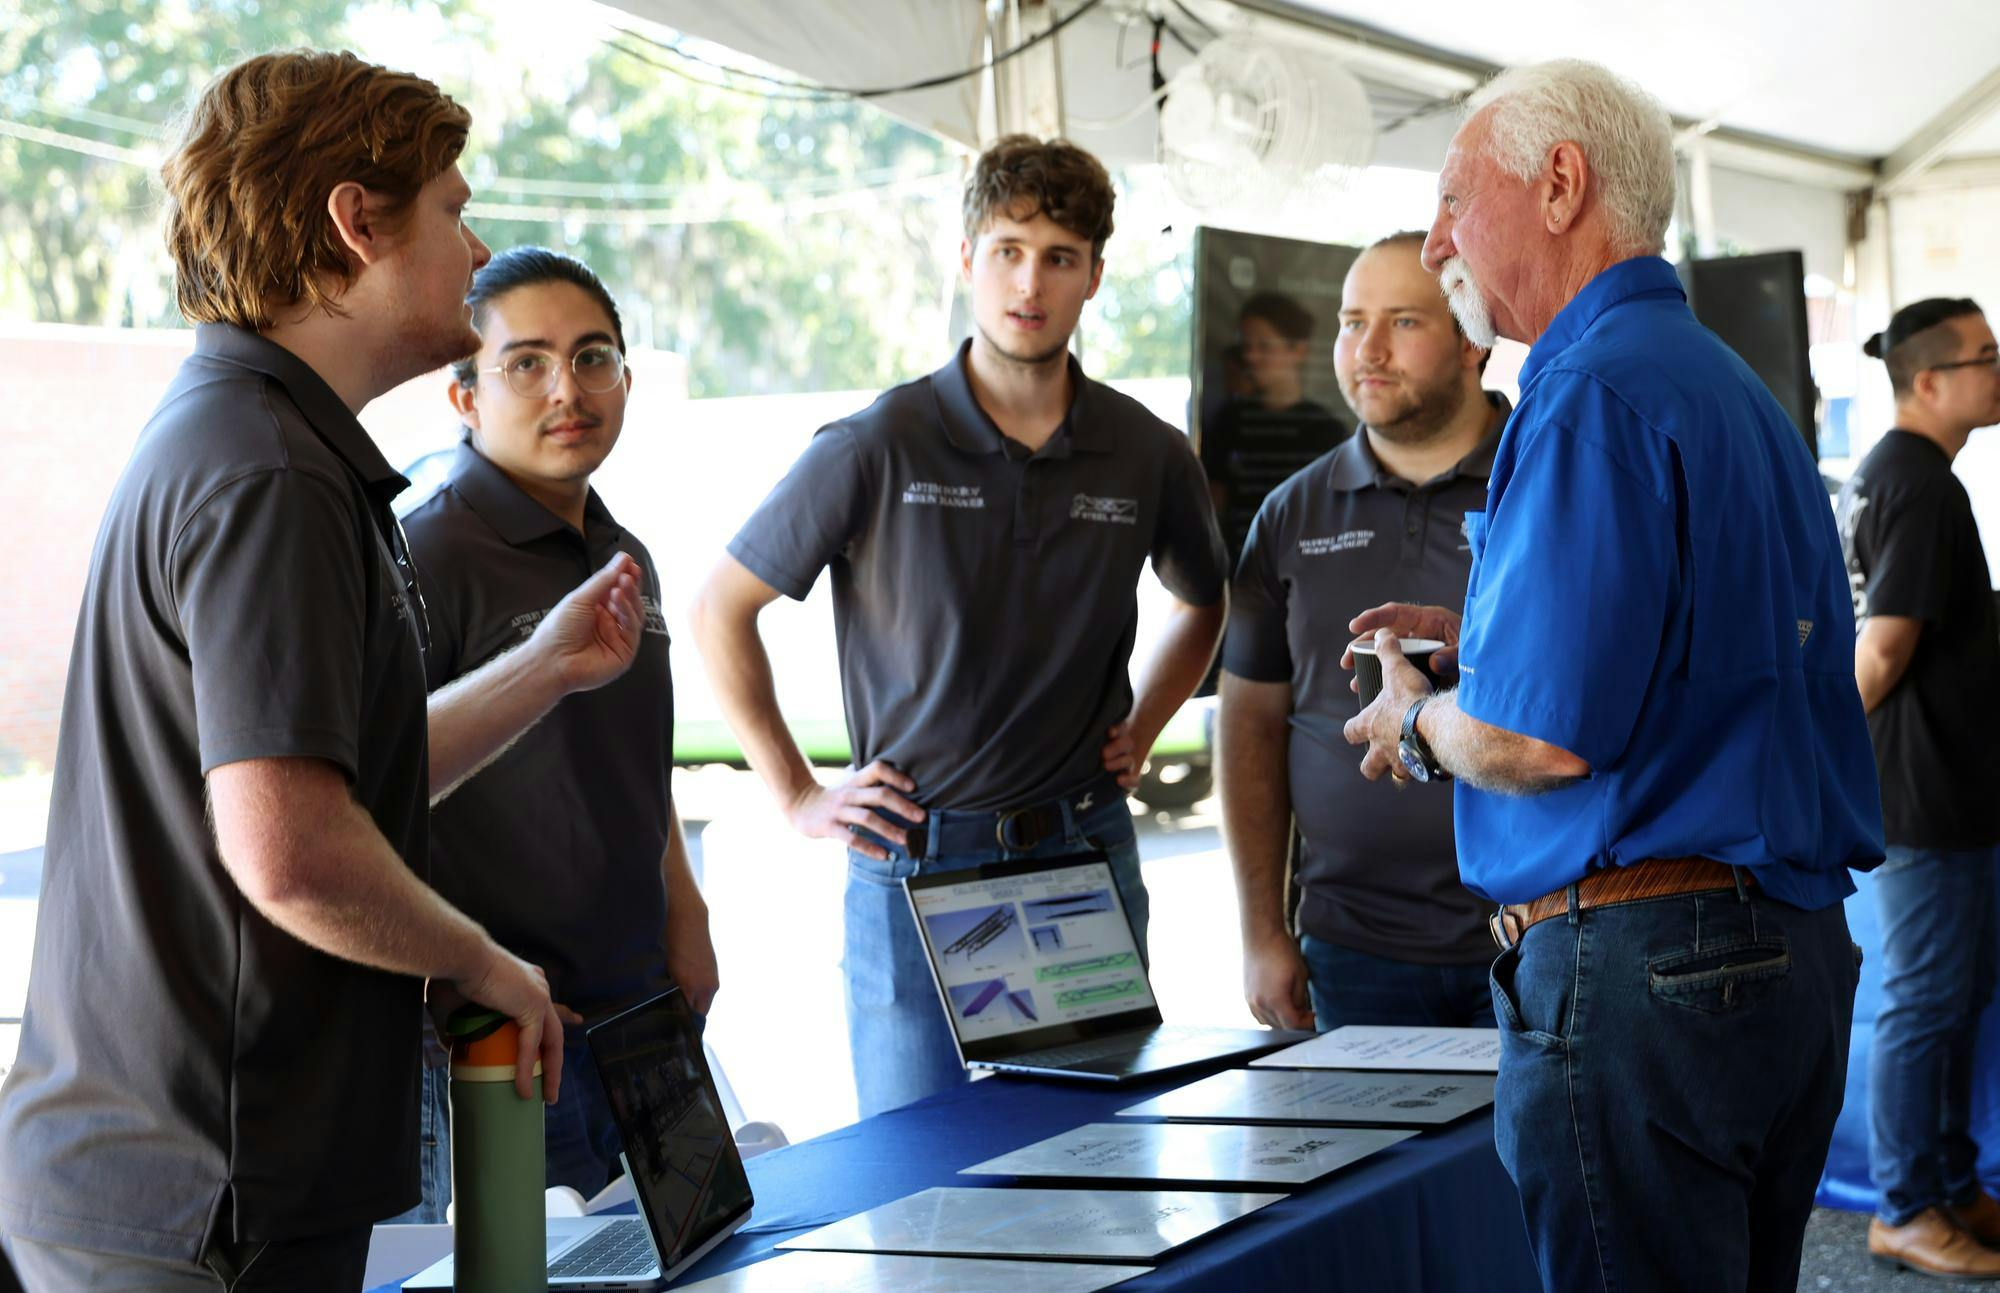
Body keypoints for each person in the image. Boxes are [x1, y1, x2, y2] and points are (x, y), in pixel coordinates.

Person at [0, 52, 645, 1291]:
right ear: (357, 223)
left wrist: (547, 668)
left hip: (198, 1178)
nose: (476, 247)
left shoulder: (262, 439)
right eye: (454, 210)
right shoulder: (272, 472)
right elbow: (288, 852)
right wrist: (478, 959)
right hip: (201, 1191)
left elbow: (343, 775)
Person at [1343, 59, 1882, 1292]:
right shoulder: (1729, 388)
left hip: (1648, 972)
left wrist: (1420, 718)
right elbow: (1698, 656)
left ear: (1558, 185)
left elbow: (1538, 745)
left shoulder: (1584, 387)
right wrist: (1488, 647)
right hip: (1780, 958)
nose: (1434, 244)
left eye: (1450, 201)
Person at [690, 134, 1227, 1118]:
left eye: (1059, 257)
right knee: (916, 1179)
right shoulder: (877, 443)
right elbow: (721, 608)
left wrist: (1142, 729)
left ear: (1095, 275)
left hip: (1079, 849)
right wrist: (796, 794)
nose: (1030, 281)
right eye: (1008, 250)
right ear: (966, 259)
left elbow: (1203, 602)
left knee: (1087, 1171)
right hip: (914, 857)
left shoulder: (1144, 452)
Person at [392, 247, 719, 1219]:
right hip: (510, 1034)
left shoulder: (626, 556)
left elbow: (632, 763)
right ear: (463, 397)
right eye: (525, 363)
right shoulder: (426, 551)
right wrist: (445, 981)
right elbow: (371, 797)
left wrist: (685, 915)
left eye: (592, 358)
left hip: (645, 1012)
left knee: (700, 1258)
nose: (566, 390)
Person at [1221, 230, 1505, 1033]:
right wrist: (1261, 932)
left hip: (1533, 935)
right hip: (1348, 952)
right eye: (1351, 322)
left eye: (1404, 323)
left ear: (1473, 342)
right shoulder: (1289, 514)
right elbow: (1250, 730)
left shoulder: (1542, 485)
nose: (1368, 350)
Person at [1838, 297, 2000, 1277]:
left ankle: (1944, 1187)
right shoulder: (1914, 483)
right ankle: (1902, 1205)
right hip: (1923, 794)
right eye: (1984, 358)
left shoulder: (1908, 477)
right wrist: (1817, 754)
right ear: (1927, 380)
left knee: (1954, 996)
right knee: (1924, 1000)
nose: (1997, 371)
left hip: (1949, 789)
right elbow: (1881, 645)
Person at [1202, 291, 1351, 566]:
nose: (1252, 356)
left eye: (1264, 346)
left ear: (1298, 350)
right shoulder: (1228, 421)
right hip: (1239, 567)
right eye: (1246, 346)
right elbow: (1212, 508)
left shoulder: (1328, 429)